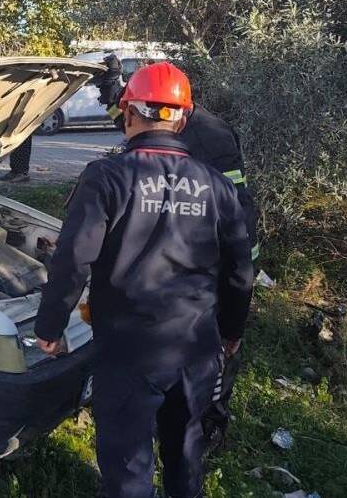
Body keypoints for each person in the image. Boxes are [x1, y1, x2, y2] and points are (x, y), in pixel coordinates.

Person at [34, 62, 254, 498]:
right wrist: (231, 332)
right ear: (183, 119)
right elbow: (240, 272)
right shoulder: (217, 186)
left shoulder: (106, 178)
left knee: (127, 464)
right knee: (186, 452)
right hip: (195, 348)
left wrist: (50, 327)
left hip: (127, 351)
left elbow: (73, 259)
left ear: (128, 111)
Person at [95, 54, 260, 453]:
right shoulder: (192, 122)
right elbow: (134, 121)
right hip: (227, 243)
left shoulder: (203, 136)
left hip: (219, 252)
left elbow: (142, 136)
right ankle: (188, 428)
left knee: (216, 350)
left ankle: (208, 427)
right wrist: (112, 90)